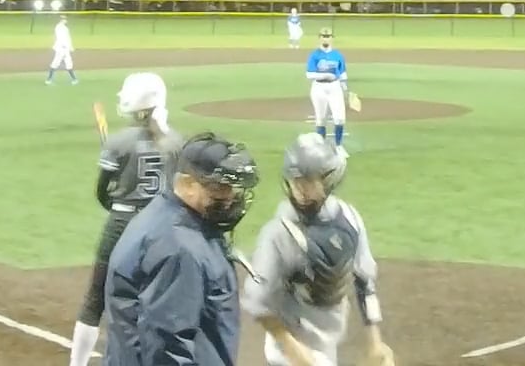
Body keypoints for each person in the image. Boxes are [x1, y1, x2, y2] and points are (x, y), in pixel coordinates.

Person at [103, 132, 260, 366]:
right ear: (187, 184)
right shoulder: (179, 247)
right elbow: (167, 344)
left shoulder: (170, 217)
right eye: (219, 187)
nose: (229, 197)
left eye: (231, 187)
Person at [244, 134, 394, 366]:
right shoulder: (279, 233)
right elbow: (258, 301)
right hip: (288, 350)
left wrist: (375, 342)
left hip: (327, 341)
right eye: (296, 181)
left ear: (328, 179)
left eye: (309, 181)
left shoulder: (349, 220)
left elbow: (365, 281)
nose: (301, 189)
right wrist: (293, 349)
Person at [69, 73, 181, 366]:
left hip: (121, 225)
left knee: (95, 300)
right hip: (162, 230)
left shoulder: (119, 141)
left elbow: (102, 192)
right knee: (153, 301)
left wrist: (118, 203)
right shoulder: (176, 142)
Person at [305, 28, 349, 156]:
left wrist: (346, 88)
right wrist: (326, 76)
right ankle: (322, 148)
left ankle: (338, 146)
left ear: (331, 38)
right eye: (323, 36)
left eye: (328, 36)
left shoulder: (338, 55)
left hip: (335, 87)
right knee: (321, 119)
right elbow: (309, 74)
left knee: (339, 118)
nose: (326, 38)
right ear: (320, 38)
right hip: (319, 88)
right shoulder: (314, 55)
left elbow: (342, 73)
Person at [47, 15, 79, 85]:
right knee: (55, 63)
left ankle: (74, 79)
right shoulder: (58, 27)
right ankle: (48, 79)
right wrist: (67, 46)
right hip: (60, 49)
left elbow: (68, 38)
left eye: (65, 19)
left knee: (69, 64)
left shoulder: (65, 28)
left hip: (66, 49)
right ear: (61, 20)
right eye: (63, 19)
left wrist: (70, 47)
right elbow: (61, 38)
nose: (65, 20)